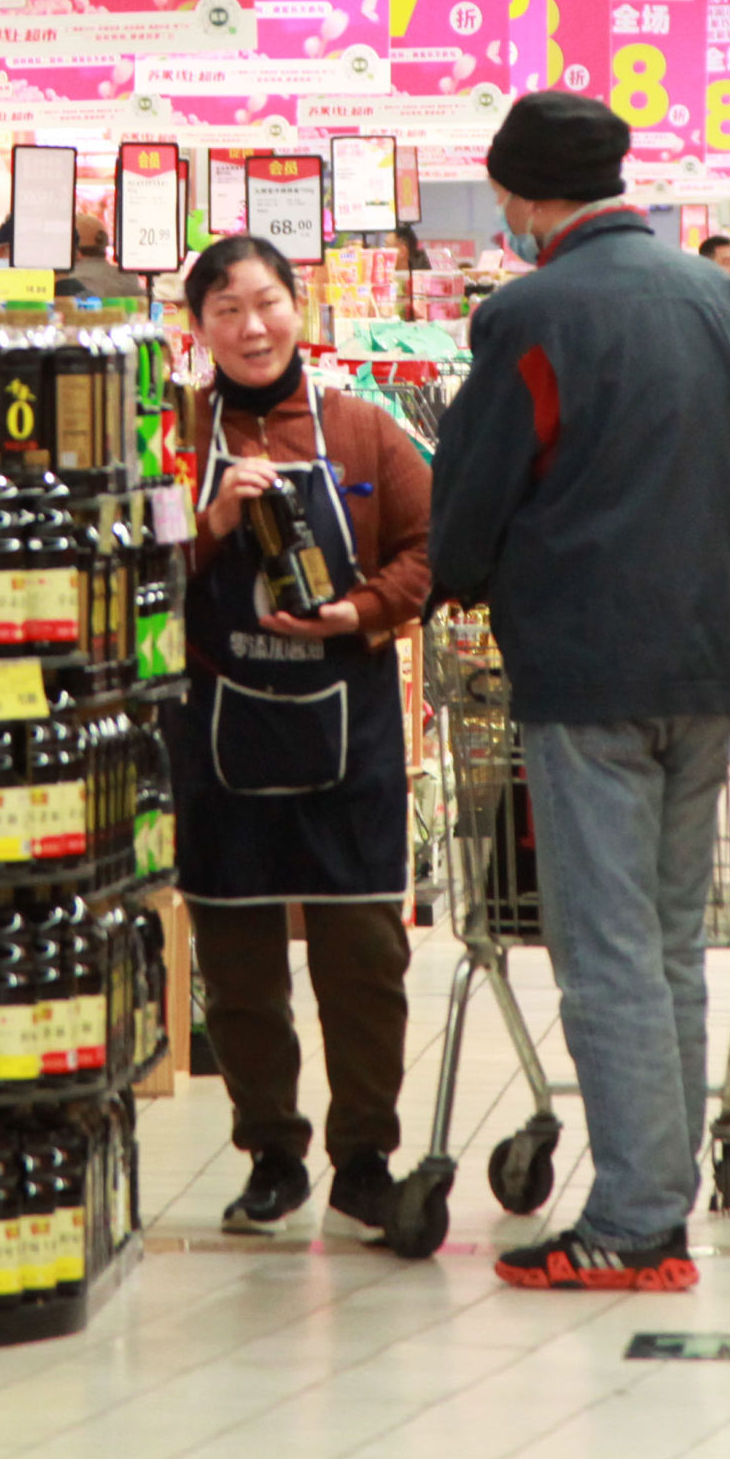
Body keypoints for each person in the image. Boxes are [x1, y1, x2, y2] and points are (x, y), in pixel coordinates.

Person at [427, 92, 730, 1291]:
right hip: (703, 668)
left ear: (523, 193)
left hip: (584, 674)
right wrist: (727, 562)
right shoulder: (718, 300)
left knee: (603, 946)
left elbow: (469, 506)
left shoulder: (531, 314)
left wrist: (475, 576)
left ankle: (633, 1220)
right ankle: (657, 1198)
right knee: (667, 941)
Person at [169, 235, 434, 1242]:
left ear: (299, 309)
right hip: (217, 735)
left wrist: (359, 610)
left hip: (347, 733)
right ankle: (271, 1154)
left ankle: (363, 1157)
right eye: (226, 309)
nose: (251, 326)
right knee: (237, 961)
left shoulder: (365, 433)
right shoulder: (171, 439)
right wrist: (208, 524)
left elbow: (428, 549)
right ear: (198, 330)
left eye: (266, 302)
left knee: (364, 955)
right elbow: (131, 563)